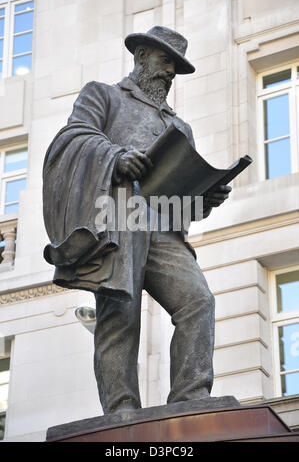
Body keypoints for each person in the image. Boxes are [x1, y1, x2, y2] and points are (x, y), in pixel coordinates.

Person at [43, 26, 231, 415]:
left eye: (176, 66)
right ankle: (121, 410)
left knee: (198, 302)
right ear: (142, 55)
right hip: (117, 220)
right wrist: (115, 156)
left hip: (164, 229)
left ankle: (191, 398)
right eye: (166, 61)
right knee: (119, 315)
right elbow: (72, 139)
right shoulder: (104, 94)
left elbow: (185, 200)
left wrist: (206, 197)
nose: (170, 72)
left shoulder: (180, 128)